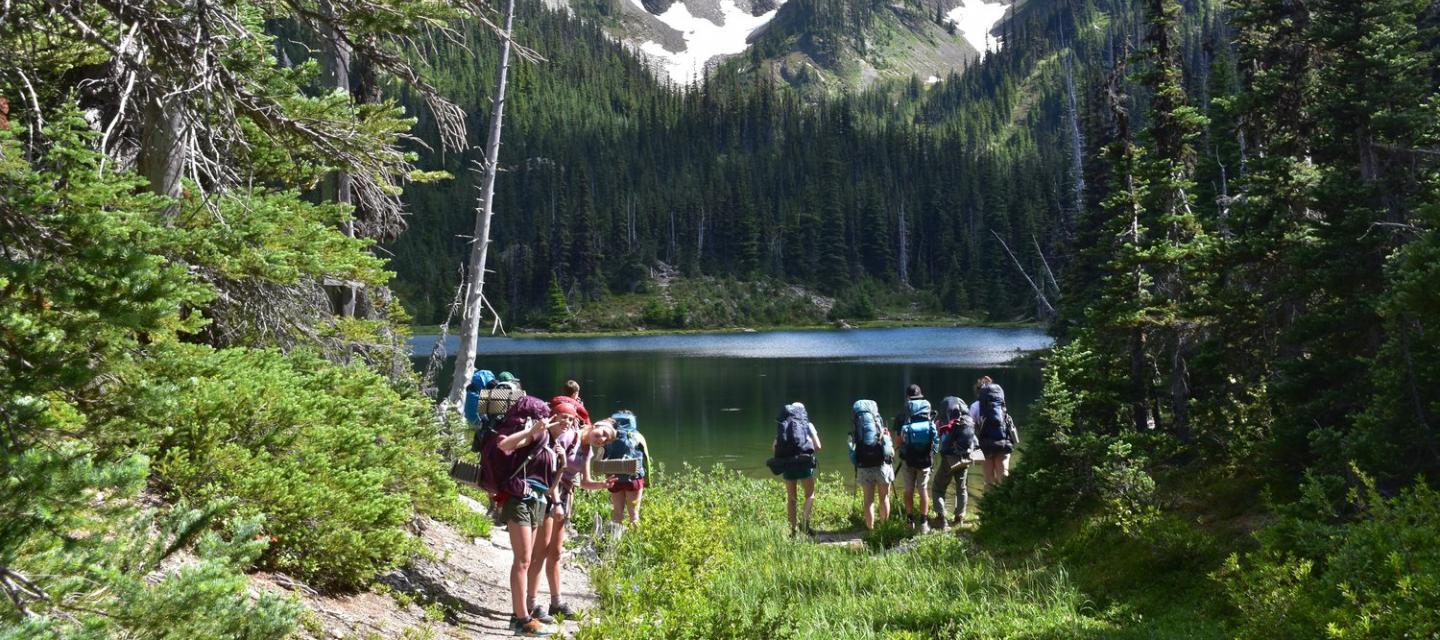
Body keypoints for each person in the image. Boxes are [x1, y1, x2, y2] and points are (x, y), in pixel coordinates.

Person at [524, 399, 612, 625]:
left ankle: (556, 602)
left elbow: (584, 481)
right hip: (548, 496)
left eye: (606, 439)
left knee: (556, 552)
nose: (601, 438)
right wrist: (556, 501)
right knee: (541, 552)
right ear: (595, 425)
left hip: (563, 498)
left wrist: (603, 485)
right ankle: (531, 603)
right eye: (602, 433)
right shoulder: (566, 435)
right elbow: (550, 469)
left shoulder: (587, 450)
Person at [493, 399, 558, 637]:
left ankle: (518, 614)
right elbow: (504, 445)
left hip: (536, 501)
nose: (566, 423)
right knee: (522, 560)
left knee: (527, 559)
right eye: (560, 418)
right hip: (519, 499)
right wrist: (532, 431)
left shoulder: (551, 442)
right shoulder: (536, 435)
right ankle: (522, 619)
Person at [894, 384, 937, 533]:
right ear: (921, 396)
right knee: (923, 488)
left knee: (908, 489)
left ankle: (910, 521)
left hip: (908, 458)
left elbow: (899, 441)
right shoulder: (928, 413)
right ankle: (924, 523)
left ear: (907, 397)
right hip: (925, 457)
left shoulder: (902, 415)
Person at [773, 402, 821, 536]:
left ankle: (793, 531)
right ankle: (804, 522)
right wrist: (809, 452)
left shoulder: (784, 425)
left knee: (791, 499)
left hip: (788, 465)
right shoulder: (807, 424)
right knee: (810, 495)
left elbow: (774, 448)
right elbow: (818, 445)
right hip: (804, 464)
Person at [932, 395, 977, 530]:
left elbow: (944, 443)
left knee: (938, 487)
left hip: (950, 459)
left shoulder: (949, 422)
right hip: (965, 457)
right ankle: (959, 518)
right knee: (961, 488)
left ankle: (941, 518)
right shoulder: (968, 420)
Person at [601, 410, 650, 525]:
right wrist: (646, 480)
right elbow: (646, 460)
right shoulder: (637, 436)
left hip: (614, 479)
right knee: (634, 514)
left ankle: (615, 540)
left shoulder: (607, 437)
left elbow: (602, 458)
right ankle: (635, 541)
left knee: (617, 513)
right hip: (634, 478)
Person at [850, 399, 894, 530]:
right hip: (881, 465)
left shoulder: (858, 425)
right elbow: (888, 448)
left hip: (864, 465)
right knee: (884, 498)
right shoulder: (877, 422)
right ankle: (884, 528)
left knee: (868, 500)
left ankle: (870, 529)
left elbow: (853, 445)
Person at [975, 379, 1015, 487]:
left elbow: (970, 426)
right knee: (1004, 477)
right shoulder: (1001, 404)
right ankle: (1006, 502)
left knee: (988, 480)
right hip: (1003, 442)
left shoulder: (976, 406)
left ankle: (989, 503)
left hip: (985, 445)